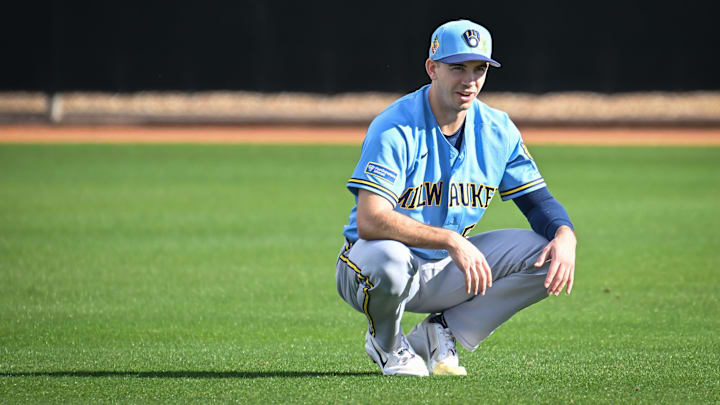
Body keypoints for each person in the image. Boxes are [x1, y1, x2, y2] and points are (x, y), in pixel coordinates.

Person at [335, 19, 577, 377]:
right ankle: (386, 344)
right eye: (457, 68)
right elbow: (370, 220)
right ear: (432, 68)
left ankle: (441, 330)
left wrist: (565, 234)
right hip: (369, 268)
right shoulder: (396, 127)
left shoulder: (497, 129)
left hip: (444, 270)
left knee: (546, 254)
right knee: (389, 257)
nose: (470, 80)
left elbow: (538, 203)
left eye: (479, 68)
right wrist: (450, 239)